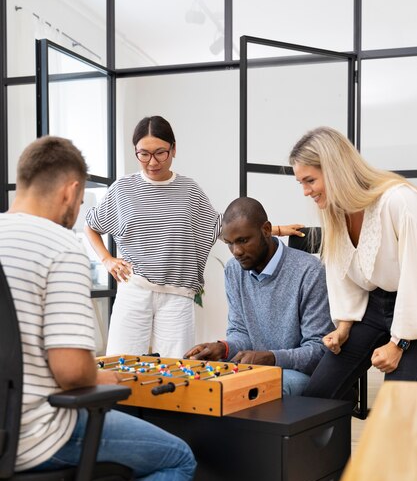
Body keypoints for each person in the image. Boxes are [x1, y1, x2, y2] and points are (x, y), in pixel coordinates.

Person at [0, 135, 196, 481]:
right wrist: (108, 381)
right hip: (30, 439)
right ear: (70, 192)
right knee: (176, 458)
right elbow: (71, 373)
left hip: (7, 431)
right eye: (81, 199)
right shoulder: (61, 247)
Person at [84, 115, 305, 358]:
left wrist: (277, 230)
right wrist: (107, 259)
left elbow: (222, 226)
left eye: (160, 153)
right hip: (134, 290)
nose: (152, 162)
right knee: (120, 365)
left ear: (174, 149)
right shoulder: (123, 189)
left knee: (177, 372)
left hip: (178, 296)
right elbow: (91, 225)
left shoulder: (189, 190)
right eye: (143, 154)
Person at [289, 126, 417, 400]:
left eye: (309, 180)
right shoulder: (335, 211)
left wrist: (399, 342)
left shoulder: (398, 201)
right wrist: (343, 327)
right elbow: (341, 274)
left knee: (398, 410)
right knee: (318, 395)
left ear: (334, 170)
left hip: (412, 308)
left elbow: (414, 279)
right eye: (300, 182)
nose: (305, 191)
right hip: (374, 305)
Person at [184, 197, 333, 396]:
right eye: (230, 243)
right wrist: (224, 348)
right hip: (254, 370)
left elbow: (318, 350)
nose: (236, 251)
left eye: (243, 241)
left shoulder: (309, 271)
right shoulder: (233, 270)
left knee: (254, 390)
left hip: (297, 374)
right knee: (196, 381)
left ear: (266, 230)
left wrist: (272, 358)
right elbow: (240, 332)